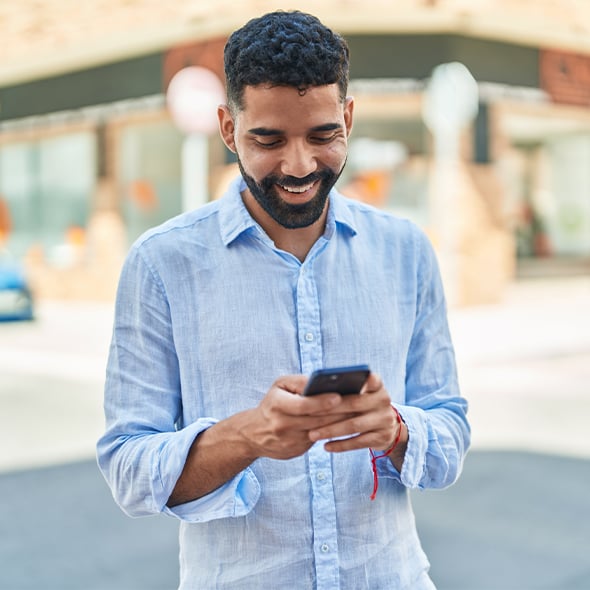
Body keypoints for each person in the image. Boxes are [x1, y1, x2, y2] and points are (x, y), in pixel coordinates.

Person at [97, 10, 470, 590]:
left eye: (323, 136)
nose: (299, 166)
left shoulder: (406, 252)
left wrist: (396, 429)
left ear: (347, 118)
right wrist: (250, 436)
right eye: (268, 139)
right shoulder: (162, 264)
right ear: (228, 129)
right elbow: (129, 470)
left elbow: (449, 431)